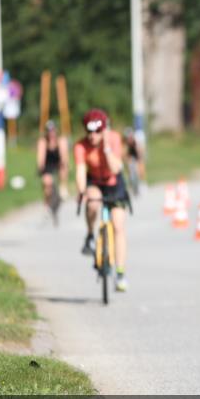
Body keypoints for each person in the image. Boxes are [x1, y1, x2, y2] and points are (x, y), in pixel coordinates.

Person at [74, 109, 130, 292]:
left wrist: (106, 148)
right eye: (88, 131)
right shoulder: (81, 146)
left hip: (114, 182)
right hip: (95, 183)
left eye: (97, 131)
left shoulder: (114, 139)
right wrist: (81, 191)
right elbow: (81, 172)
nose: (92, 136)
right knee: (93, 202)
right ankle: (90, 235)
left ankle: (120, 273)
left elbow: (115, 168)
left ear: (104, 130)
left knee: (118, 225)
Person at [36, 120, 68, 210]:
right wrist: (41, 168)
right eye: (49, 131)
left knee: (63, 167)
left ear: (56, 130)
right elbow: (40, 157)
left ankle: (63, 186)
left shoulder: (61, 140)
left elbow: (63, 156)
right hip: (48, 164)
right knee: (47, 182)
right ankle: (47, 201)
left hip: (58, 163)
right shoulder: (43, 141)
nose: (51, 133)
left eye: (53, 130)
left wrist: (63, 163)